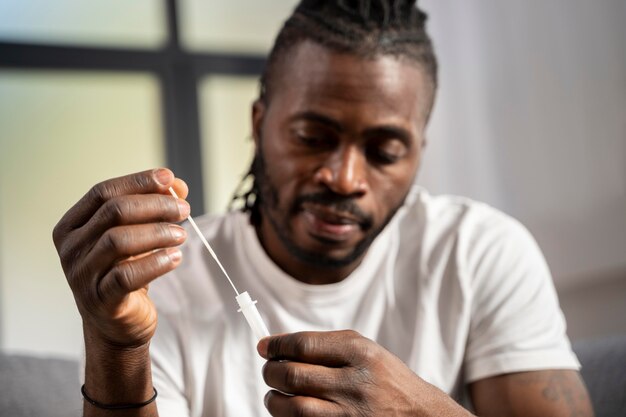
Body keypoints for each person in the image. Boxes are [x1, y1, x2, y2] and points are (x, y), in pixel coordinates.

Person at [53, 1, 594, 416]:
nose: (345, 178)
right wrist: (116, 345)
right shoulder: (163, 276)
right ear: (259, 123)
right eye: (313, 135)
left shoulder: (479, 252)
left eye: (384, 152)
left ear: (419, 152)